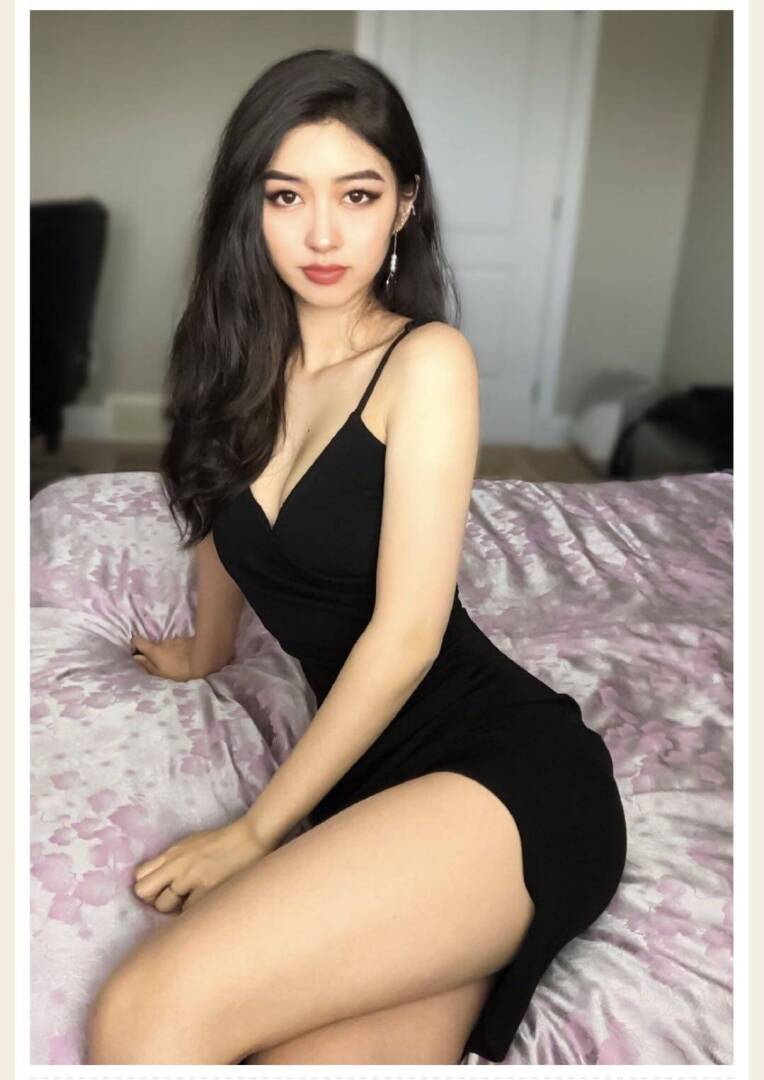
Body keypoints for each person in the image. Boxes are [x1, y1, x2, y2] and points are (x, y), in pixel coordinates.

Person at [85, 48, 627, 1066]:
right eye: (287, 195)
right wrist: (207, 652)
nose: (323, 234)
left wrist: (255, 833)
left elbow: (408, 636)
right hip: (366, 787)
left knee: (141, 1014)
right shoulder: (233, 360)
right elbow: (222, 521)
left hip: (501, 774)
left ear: (403, 206)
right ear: (249, 207)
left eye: (358, 194)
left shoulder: (425, 362)